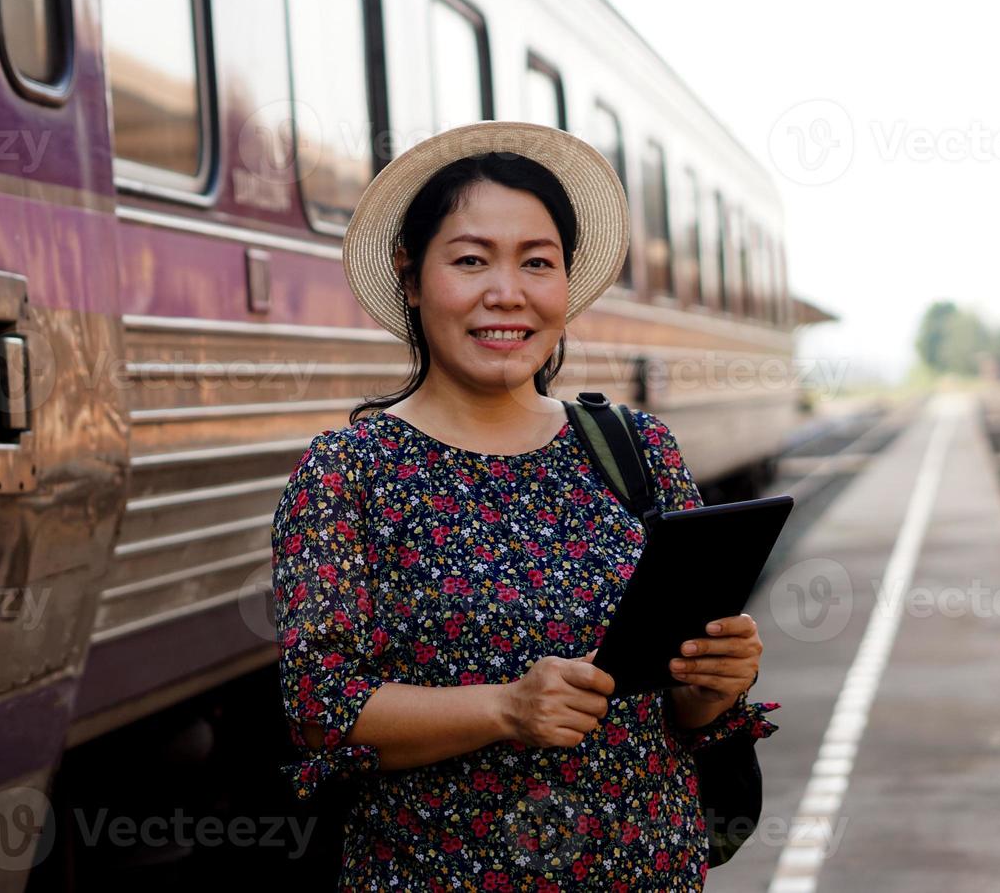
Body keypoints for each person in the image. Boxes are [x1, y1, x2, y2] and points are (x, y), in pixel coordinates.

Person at [270, 121, 779, 891]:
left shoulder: (637, 450)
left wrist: (713, 684)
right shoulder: (350, 475)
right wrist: (508, 709)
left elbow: (687, 718)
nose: (505, 294)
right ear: (411, 278)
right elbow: (320, 709)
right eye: (471, 260)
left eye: (536, 264)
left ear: (565, 285)